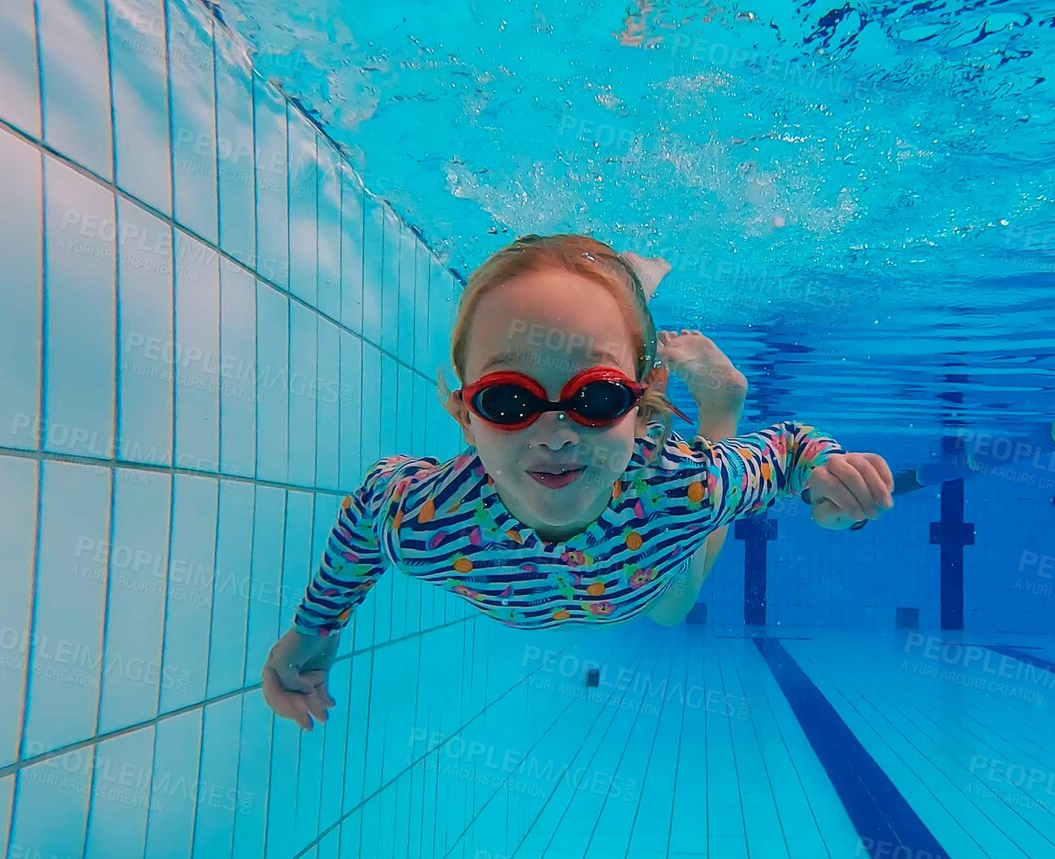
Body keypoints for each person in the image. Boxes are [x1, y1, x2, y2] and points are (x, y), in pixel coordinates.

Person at [261, 233, 894, 730]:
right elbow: (369, 511)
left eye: (595, 397)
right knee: (670, 609)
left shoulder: (679, 488)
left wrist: (830, 477)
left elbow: (788, 451)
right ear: (464, 416)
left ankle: (720, 403)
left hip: (649, 539)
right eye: (509, 401)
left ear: (641, 407)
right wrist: (315, 629)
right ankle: (623, 315)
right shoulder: (427, 520)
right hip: (627, 567)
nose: (557, 433)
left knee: (674, 606)